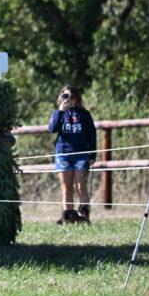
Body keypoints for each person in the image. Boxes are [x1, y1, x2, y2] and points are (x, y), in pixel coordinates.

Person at [48, 85, 96, 224]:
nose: (69, 100)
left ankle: (84, 218)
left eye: (71, 97)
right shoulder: (58, 113)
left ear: (77, 98)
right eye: (65, 96)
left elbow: (91, 134)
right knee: (66, 189)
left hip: (81, 155)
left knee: (82, 187)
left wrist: (92, 154)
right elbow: (52, 129)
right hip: (63, 154)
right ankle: (68, 219)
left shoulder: (85, 114)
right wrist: (60, 111)